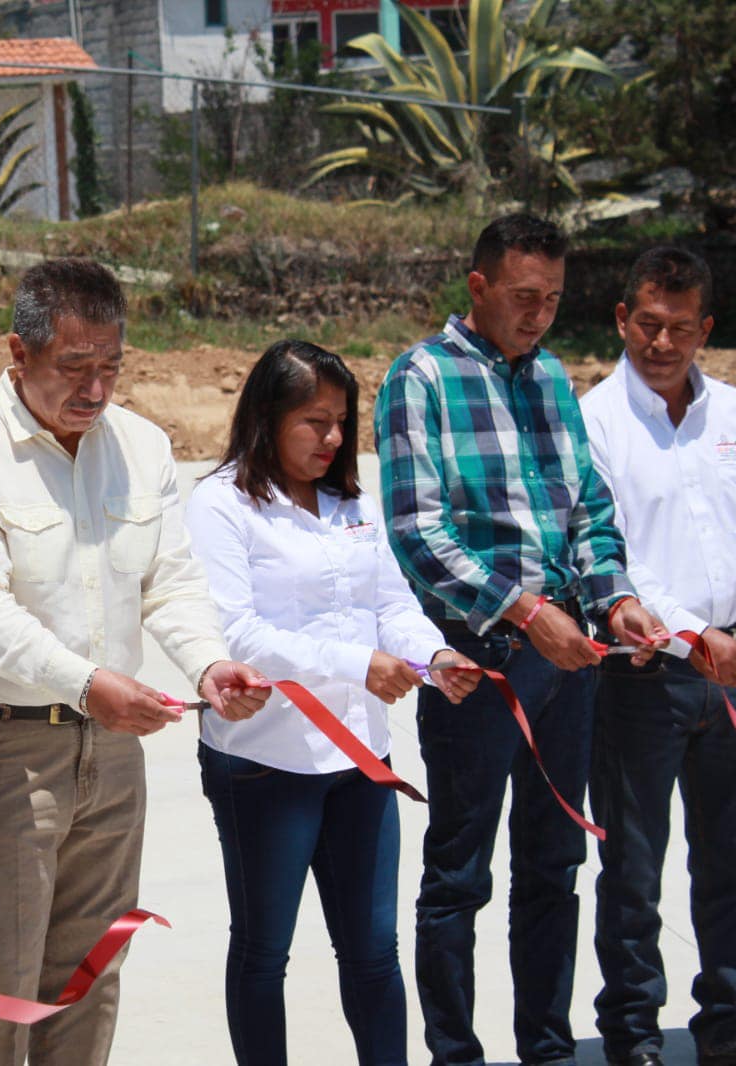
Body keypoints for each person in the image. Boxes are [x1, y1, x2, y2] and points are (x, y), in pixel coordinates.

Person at [0, 257, 270, 1065]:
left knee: (89, 969)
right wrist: (86, 685)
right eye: (74, 367)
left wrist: (208, 666)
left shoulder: (140, 446)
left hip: (109, 752)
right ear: (18, 351)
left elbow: (168, 583)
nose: (96, 389)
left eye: (110, 366)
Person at [374, 213, 667, 1066]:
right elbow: (416, 532)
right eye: (522, 297)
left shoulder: (547, 380)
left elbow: (585, 510)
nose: (538, 314)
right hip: (486, 664)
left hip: (568, 664)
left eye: (551, 299)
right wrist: (524, 613)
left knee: (552, 867)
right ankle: (456, 1056)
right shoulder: (419, 379)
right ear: (477, 289)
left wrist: (613, 602)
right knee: (459, 877)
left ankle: (545, 1048)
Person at [184, 341, 480, 1066]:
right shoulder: (221, 503)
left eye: (341, 421)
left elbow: (391, 602)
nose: (333, 439)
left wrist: (429, 654)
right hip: (264, 768)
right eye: (314, 421)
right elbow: (240, 632)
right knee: (263, 953)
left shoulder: (350, 501)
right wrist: (359, 663)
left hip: (359, 762)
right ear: (265, 417)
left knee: (373, 953)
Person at [580, 247, 736, 1066]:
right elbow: (612, 549)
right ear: (622, 320)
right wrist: (693, 632)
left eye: (679, 328)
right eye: (646, 325)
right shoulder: (593, 420)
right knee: (631, 867)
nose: (661, 343)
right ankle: (631, 1033)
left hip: (733, 671)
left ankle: (730, 1021)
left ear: (705, 328)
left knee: (733, 860)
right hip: (644, 674)